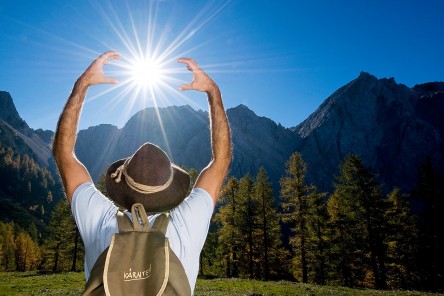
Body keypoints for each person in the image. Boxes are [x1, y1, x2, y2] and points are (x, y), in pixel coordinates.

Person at [52, 51, 232, 292]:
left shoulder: (101, 221)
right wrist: (214, 93)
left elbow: (64, 155)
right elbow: (221, 161)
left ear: (122, 184)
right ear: (169, 188)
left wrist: (82, 84)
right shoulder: (186, 225)